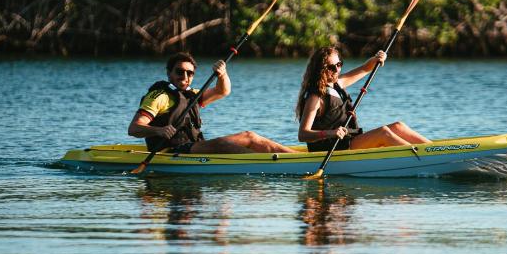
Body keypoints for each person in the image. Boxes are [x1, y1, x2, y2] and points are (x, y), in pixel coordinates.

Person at [129, 52, 296, 154]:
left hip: (193, 147)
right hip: (171, 151)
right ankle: (267, 162)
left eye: (190, 73)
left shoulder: (192, 95)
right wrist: (159, 130)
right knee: (221, 144)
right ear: (169, 73)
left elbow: (222, 91)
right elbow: (134, 129)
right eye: (179, 72)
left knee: (249, 135)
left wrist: (222, 74)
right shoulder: (159, 96)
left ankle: (295, 156)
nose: (185, 77)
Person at [296, 46, 430, 152]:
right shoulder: (315, 97)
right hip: (333, 147)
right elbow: (303, 134)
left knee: (398, 126)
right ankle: (419, 156)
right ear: (321, 69)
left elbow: (365, 69)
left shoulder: (338, 83)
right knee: (383, 133)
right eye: (332, 67)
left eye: (339, 64)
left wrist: (377, 58)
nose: (337, 70)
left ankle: (433, 149)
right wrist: (330, 133)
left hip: (349, 139)